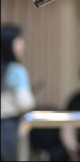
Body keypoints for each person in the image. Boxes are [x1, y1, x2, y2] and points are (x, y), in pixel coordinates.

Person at [1, 24, 36, 161]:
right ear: (8, 43)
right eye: (19, 40)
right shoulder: (16, 70)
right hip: (9, 129)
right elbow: (25, 103)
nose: (23, 45)